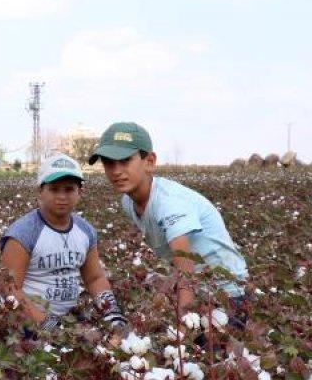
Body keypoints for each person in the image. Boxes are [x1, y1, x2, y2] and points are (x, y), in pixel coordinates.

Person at [89, 122, 249, 331]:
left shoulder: (169, 203)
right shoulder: (128, 202)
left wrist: (183, 327)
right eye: (109, 163)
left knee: (204, 356)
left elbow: (186, 269)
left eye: (125, 160)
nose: (116, 171)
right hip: (200, 291)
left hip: (228, 296)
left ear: (149, 161)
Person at [0, 153, 127, 334]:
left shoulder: (85, 231)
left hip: (69, 320)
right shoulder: (23, 233)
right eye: (54, 189)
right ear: (40, 191)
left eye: (69, 189)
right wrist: (50, 326)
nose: (62, 196)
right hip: (28, 323)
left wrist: (112, 314)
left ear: (79, 192)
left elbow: (95, 279)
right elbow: (10, 290)